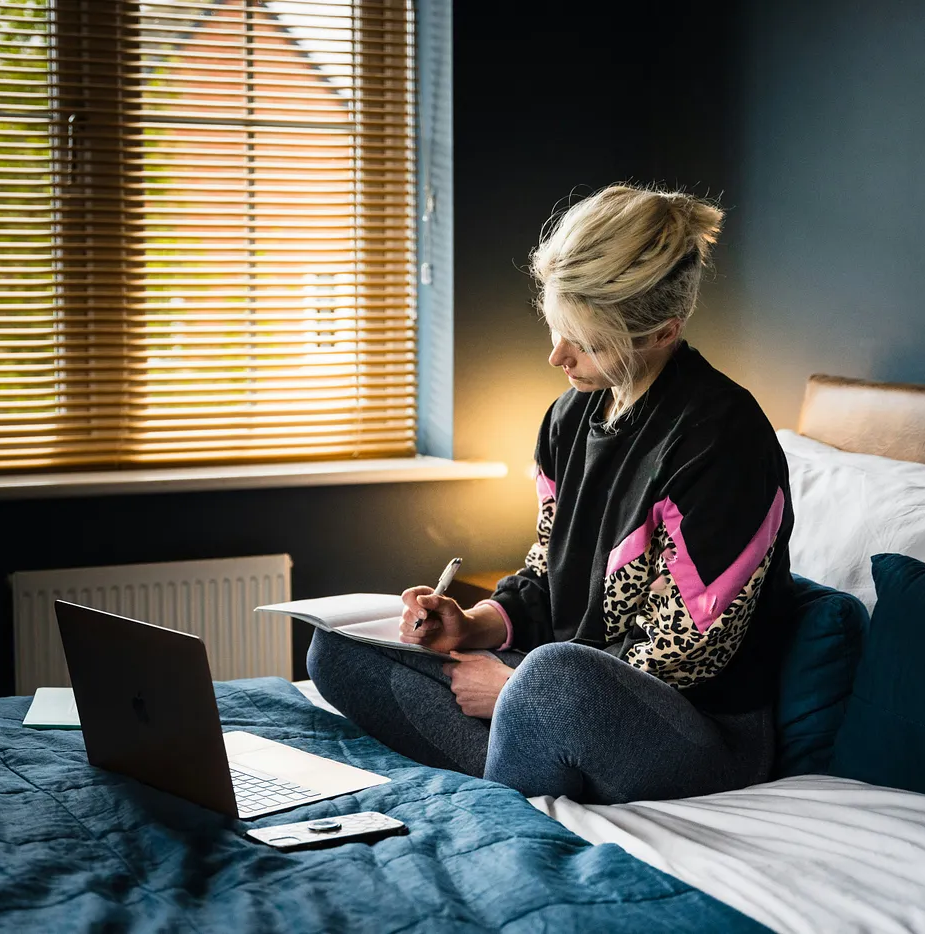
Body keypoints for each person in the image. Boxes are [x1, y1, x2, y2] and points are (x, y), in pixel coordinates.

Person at [307, 183, 795, 804]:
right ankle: (523, 750)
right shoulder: (569, 418)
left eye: (585, 341)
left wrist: (510, 684)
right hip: (559, 690)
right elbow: (545, 575)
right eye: (558, 327)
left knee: (551, 677)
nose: (555, 355)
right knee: (337, 649)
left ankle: (514, 757)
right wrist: (472, 627)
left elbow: (682, 657)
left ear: (662, 332)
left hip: (696, 733)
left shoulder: (722, 440)